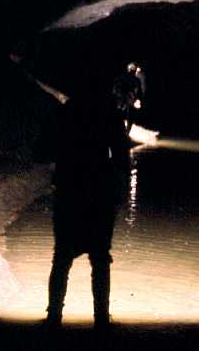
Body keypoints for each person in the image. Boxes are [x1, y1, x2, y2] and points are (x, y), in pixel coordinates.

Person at [45, 80, 133, 330]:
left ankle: (53, 318)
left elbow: (41, 151)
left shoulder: (65, 112)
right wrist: (120, 190)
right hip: (100, 193)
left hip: (69, 191)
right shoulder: (110, 113)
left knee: (62, 256)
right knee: (100, 258)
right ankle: (101, 320)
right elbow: (122, 158)